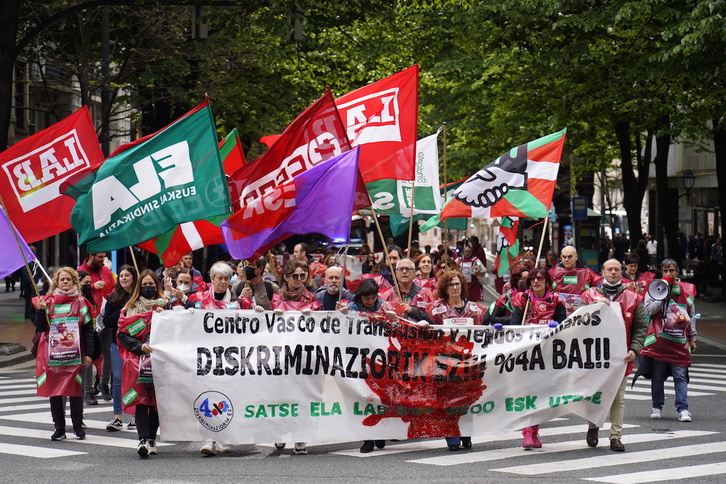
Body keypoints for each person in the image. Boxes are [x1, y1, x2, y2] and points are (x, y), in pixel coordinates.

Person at [580, 259, 648, 452]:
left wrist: (634, 349)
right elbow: (575, 319)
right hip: (595, 357)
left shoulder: (634, 298)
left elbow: (641, 327)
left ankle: (615, 436)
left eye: (617, 269)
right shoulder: (588, 295)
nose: (613, 272)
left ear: (622, 272)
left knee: (618, 398)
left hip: (621, 358)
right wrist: (593, 305)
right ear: (602, 272)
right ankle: (593, 426)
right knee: (594, 394)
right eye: (609, 269)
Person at [426, 270, 486, 451]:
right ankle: (451, 435)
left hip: (469, 363)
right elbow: (424, 324)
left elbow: (486, 328)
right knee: (447, 400)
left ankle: (466, 433)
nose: (454, 287)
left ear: (462, 286)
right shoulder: (436, 309)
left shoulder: (475, 309)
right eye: (450, 284)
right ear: (445, 288)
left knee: (467, 399)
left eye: (457, 284)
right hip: (445, 363)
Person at [33, 267, 95, 441]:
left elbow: (88, 330)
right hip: (52, 355)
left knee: (76, 391)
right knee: (55, 391)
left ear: (75, 282)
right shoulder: (47, 302)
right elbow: (41, 328)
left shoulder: (82, 303)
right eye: (62, 279)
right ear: (56, 283)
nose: (65, 282)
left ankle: (77, 426)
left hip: (75, 355)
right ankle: (59, 428)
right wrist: (40, 310)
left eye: (69, 279)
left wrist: (89, 354)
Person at [510, 267, 566, 449]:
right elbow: (514, 326)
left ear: (547, 281)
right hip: (526, 354)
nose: (536, 281)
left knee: (540, 393)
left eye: (541, 278)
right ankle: (527, 432)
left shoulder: (556, 300)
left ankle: (535, 429)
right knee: (527, 392)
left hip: (547, 355)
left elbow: (565, 326)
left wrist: (556, 326)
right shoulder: (522, 300)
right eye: (533, 279)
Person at [271, 260, 321, 455]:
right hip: (282, 357)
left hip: (305, 357)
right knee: (281, 397)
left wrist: (315, 312)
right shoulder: (276, 299)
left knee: (303, 397)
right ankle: (280, 433)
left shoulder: (313, 299)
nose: (300, 280)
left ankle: (301, 438)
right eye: (295, 276)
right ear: (286, 277)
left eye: (303, 275)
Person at [639, 259, 697, 422]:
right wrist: (661, 297)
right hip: (659, 340)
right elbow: (648, 310)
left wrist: (693, 337)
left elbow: (691, 315)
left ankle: (683, 409)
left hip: (679, 340)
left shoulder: (686, 289)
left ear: (677, 272)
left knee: (680, 375)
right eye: (665, 271)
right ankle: (656, 406)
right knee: (657, 376)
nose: (668, 274)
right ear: (661, 272)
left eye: (671, 271)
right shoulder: (654, 287)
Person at [118, 269, 166, 458]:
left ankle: (152, 439)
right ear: (139, 287)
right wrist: (139, 346)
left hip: (160, 360)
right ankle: (142, 439)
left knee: (155, 401)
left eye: (151, 285)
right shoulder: (130, 307)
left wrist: (165, 316)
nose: (148, 288)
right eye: (144, 285)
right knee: (140, 400)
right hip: (137, 361)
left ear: (157, 285)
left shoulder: (166, 306)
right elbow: (122, 334)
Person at [101, 265, 138, 432]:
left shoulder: (140, 296)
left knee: (137, 377)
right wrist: (122, 312)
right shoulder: (113, 298)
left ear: (133, 278)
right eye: (121, 275)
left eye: (127, 275)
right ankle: (117, 416)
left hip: (137, 342)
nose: (123, 278)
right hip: (118, 342)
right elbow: (107, 321)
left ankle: (136, 416)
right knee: (117, 378)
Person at [549, 245, 603, 315]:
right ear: (561, 257)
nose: (566, 259)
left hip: (581, 312)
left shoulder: (587, 273)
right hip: (558, 312)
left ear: (576, 257)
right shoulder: (553, 273)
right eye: (564, 257)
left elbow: (601, 284)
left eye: (570, 257)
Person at [380, 258, 434, 323]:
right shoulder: (387, 295)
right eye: (401, 269)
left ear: (414, 273)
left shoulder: (425, 293)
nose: (404, 272)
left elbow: (433, 318)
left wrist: (412, 311)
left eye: (408, 269)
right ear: (396, 273)